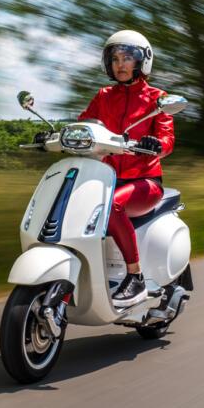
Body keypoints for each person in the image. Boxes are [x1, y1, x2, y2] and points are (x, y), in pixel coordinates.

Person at [36, 30, 175, 307]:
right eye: (115, 59)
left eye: (127, 58)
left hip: (145, 182)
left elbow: (167, 139)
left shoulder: (156, 98)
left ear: (142, 62)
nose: (120, 64)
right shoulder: (103, 96)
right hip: (106, 178)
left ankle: (134, 276)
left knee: (111, 206)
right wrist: (54, 136)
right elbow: (82, 126)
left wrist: (156, 143)